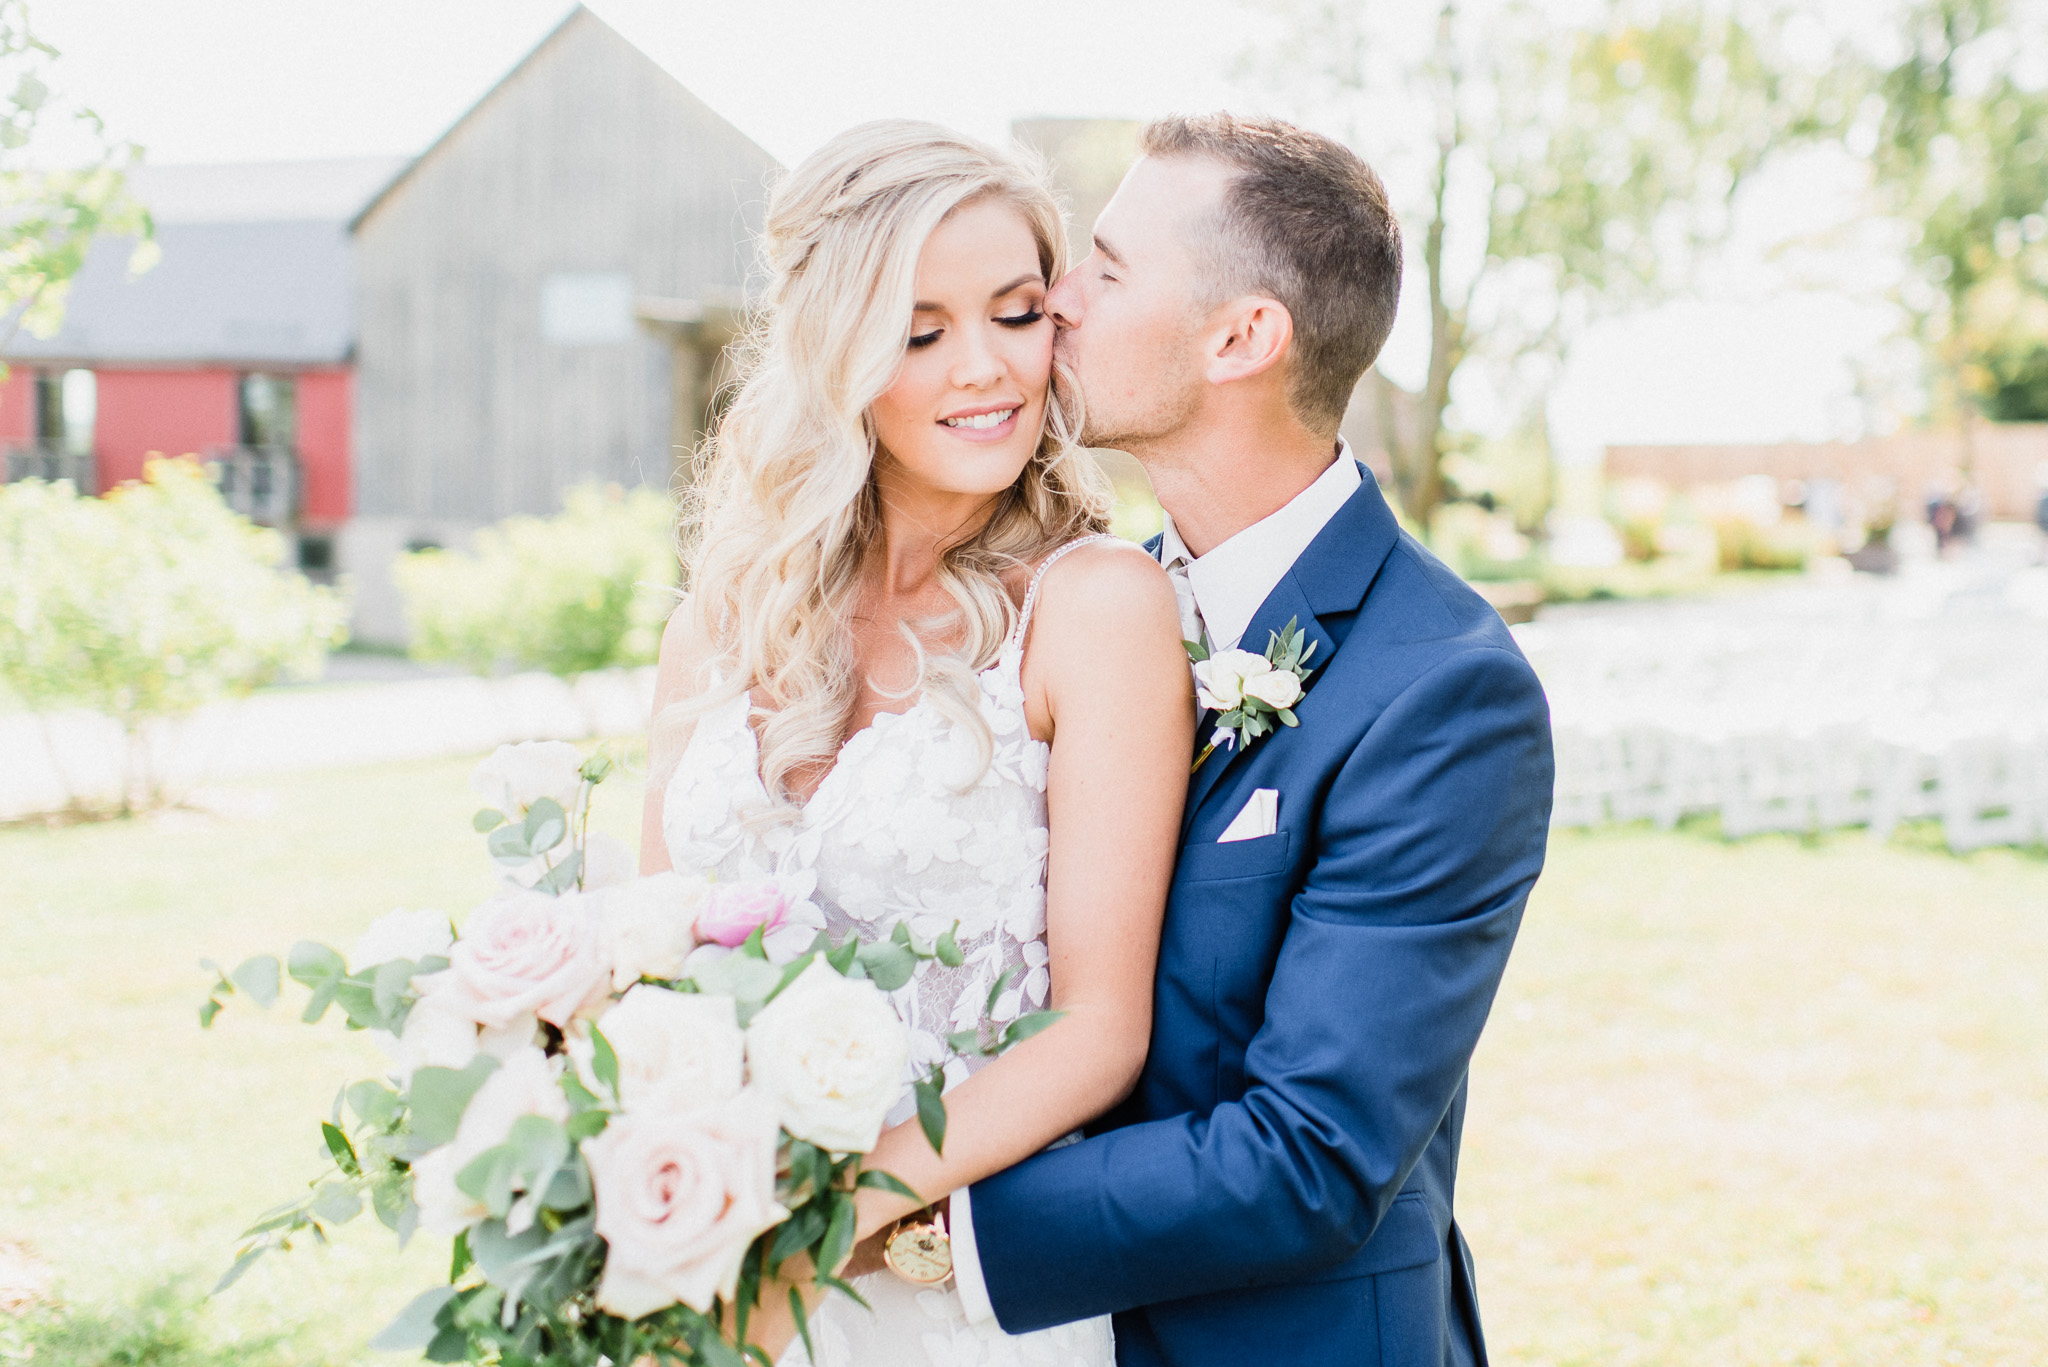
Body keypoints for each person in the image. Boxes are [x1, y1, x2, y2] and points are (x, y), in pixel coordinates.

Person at [937, 115, 1555, 1367]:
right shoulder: (1070, 615)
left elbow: (1312, 1152)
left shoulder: (1441, 693)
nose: (1055, 301)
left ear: (1241, 337)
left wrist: (913, 1221)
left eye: (1105, 271)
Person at [639, 120, 1193, 1367]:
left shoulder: (1091, 605)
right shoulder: (720, 618)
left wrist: (821, 1229)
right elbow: (646, 956)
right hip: (707, 1269)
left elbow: (1099, 1026)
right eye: (921, 329)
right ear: (837, 350)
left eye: (1014, 313)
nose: (985, 369)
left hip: (950, 1303)